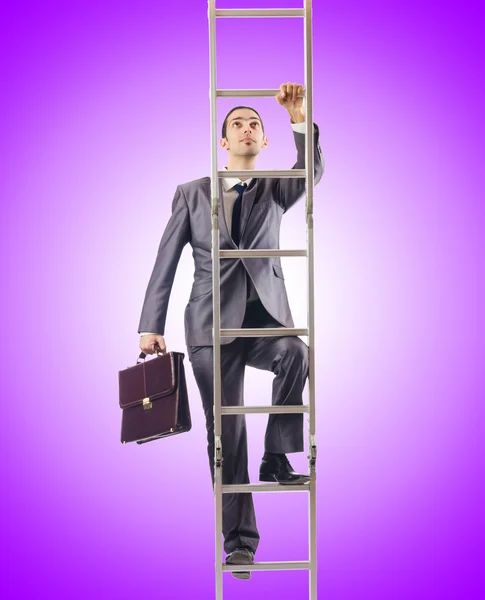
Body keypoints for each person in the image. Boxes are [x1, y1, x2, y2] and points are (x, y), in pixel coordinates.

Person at [138, 82, 324, 579]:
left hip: (264, 321)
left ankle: (276, 457)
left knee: (298, 354)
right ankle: (239, 543)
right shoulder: (192, 194)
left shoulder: (274, 189)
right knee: (227, 433)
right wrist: (149, 326)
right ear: (224, 141)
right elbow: (166, 258)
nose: (247, 128)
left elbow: (312, 171)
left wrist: (297, 118)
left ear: (264, 141)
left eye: (255, 124)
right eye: (238, 123)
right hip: (210, 326)